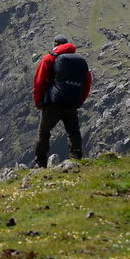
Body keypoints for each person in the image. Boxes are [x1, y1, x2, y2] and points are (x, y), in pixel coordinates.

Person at [32, 34, 92, 168]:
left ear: (55, 45)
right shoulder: (80, 62)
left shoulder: (50, 58)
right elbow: (87, 83)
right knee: (73, 131)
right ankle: (76, 158)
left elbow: (39, 81)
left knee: (44, 132)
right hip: (71, 103)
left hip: (53, 103)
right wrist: (79, 101)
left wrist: (38, 102)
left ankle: (40, 163)